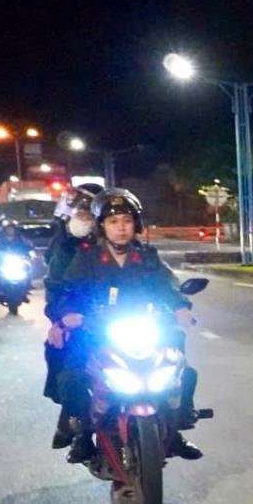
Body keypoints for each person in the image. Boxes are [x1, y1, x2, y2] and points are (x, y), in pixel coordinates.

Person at [51, 188, 202, 463]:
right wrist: (69, 315)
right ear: (102, 226)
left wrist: (180, 307)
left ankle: (176, 426)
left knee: (181, 364)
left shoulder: (147, 257)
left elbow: (165, 285)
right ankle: (83, 434)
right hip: (97, 329)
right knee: (72, 374)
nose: (121, 228)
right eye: (113, 221)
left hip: (144, 326)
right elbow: (69, 291)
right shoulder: (86, 258)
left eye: (127, 221)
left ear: (136, 225)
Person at [42, 184, 102, 447]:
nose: (83, 215)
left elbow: (151, 279)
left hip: (121, 315)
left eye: (89, 210)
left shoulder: (123, 243)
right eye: (80, 210)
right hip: (81, 320)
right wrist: (61, 320)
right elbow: (56, 289)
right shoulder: (65, 247)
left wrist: (175, 306)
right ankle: (76, 421)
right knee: (65, 361)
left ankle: (174, 421)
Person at [0, 221, 32, 291]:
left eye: (11, 228)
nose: (10, 230)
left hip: (18, 258)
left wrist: (28, 249)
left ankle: (28, 285)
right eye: (8, 229)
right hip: (4, 259)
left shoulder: (20, 238)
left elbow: (27, 245)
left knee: (28, 266)